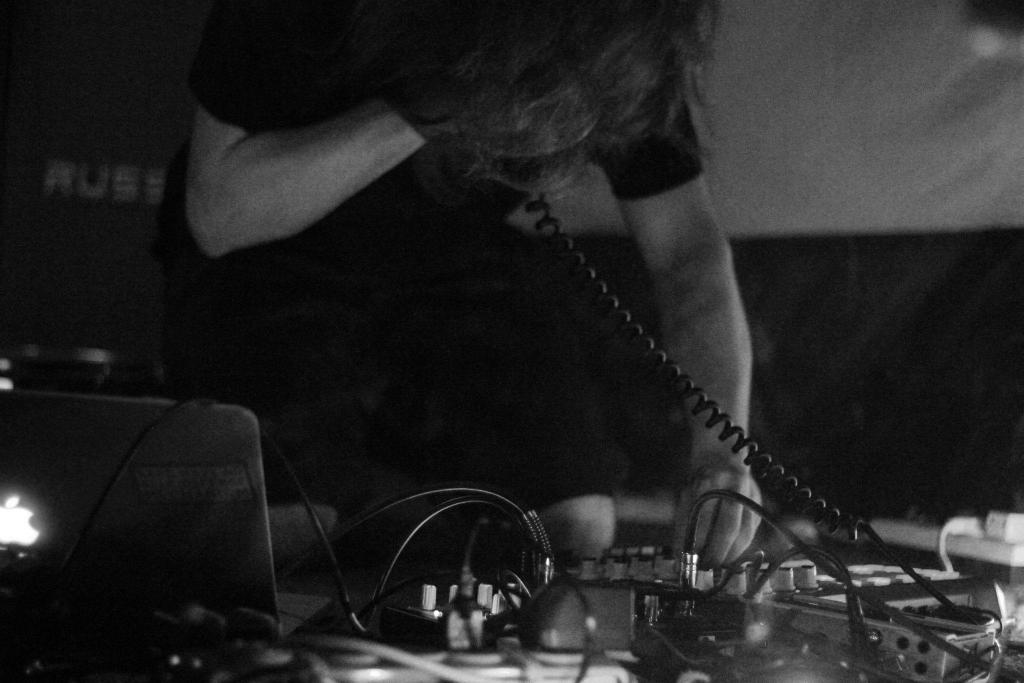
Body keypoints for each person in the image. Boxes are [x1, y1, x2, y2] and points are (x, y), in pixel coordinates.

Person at [155, 0, 760, 565]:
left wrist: (721, 455)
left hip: (457, 266)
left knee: (573, 525)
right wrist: (433, 108)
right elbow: (219, 215)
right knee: (283, 530)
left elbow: (686, 255)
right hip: (267, 263)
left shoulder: (616, 32)